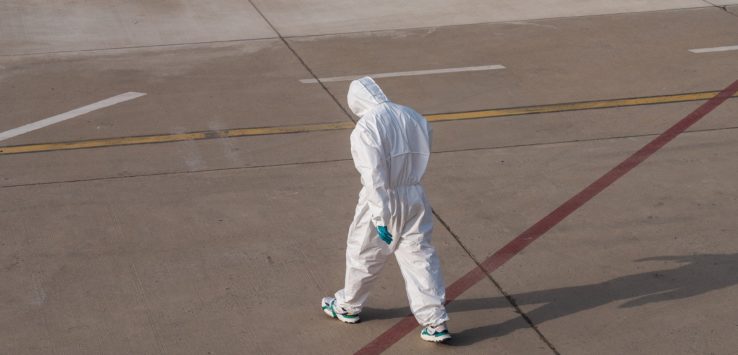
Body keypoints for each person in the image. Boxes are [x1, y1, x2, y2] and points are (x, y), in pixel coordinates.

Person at [321, 77, 451, 343]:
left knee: (364, 253)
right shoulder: (412, 115)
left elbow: (373, 176)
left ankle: (348, 305)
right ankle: (435, 321)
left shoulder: (366, 127)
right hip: (414, 195)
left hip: (382, 200)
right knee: (420, 258)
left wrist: (380, 216)